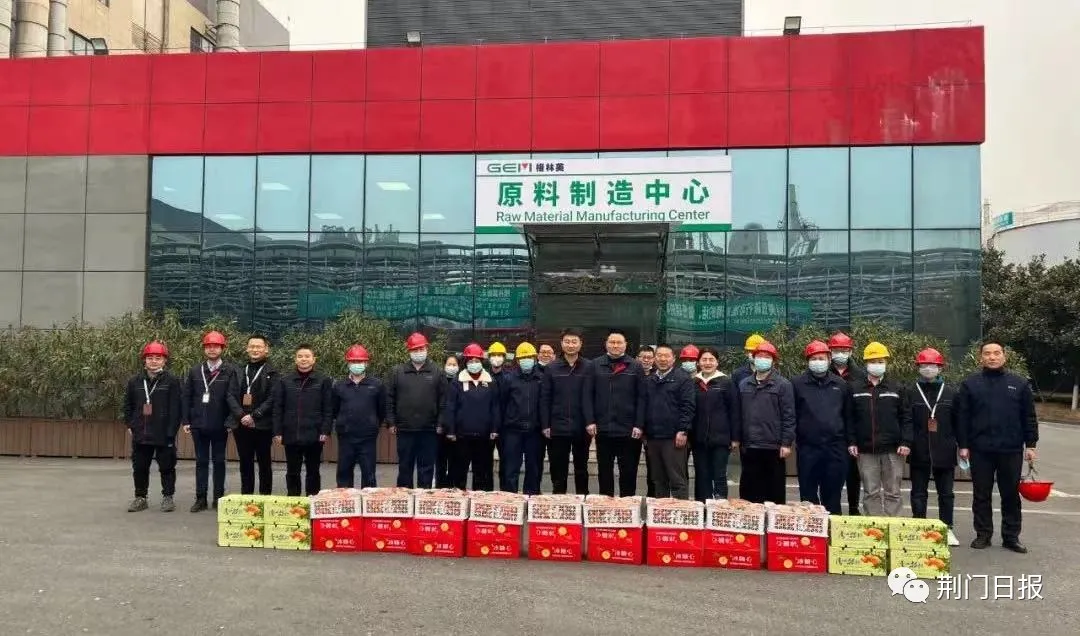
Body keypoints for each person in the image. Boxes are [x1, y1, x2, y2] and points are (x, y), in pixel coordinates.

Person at [956, 340, 1038, 553]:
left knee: (1010, 495)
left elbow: (1029, 416)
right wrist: (963, 445)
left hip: (1010, 449)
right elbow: (962, 417)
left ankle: (1011, 537)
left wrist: (1031, 444)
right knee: (981, 494)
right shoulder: (970, 384)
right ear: (980, 357)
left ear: (1004, 356)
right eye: (987, 353)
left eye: (996, 353)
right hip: (980, 449)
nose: (992, 357)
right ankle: (983, 534)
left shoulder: (1019, 384)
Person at [847, 342, 912, 517]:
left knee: (893, 492)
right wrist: (852, 441)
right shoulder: (855, 388)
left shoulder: (896, 387)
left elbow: (906, 417)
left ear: (886, 363)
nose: (877, 365)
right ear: (866, 363)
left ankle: (893, 525)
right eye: (873, 361)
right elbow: (850, 417)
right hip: (866, 449)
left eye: (880, 361)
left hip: (893, 450)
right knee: (870, 492)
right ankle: (874, 526)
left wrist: (906, 442)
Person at [792, 340, 852, 515]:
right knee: (808, 497)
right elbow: (791, 414)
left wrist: (850, 442)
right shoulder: (796, 383)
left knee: (832, 496)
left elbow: (848, 416)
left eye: (822, 358)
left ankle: (832, 529)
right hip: (808, 448)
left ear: (829, 360)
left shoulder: (840, 384)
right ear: (808, 361)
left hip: (835, 448)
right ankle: (810, 531)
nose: (818, 362)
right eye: (814, 358)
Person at [586, 329, 647, 497]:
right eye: (612, 342)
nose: (615, 345)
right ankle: (606, 503)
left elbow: (642, 397)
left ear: (625, 345)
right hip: (603, 428)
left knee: (628, 471)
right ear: (606, 344)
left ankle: (628, 504)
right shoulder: (595, 365)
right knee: (604, 470)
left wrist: (639, 424)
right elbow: (588, 395)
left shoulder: (635, 366)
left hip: (629, 429)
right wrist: (590, 420)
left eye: (619, 342)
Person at [909, 348, 960, 547]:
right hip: (919, 448)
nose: (928, 368)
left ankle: (947, 528)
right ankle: (919, 527)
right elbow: (906, 420)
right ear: (918, 367)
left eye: (932, 365)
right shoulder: (911, 391)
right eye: (924, 365)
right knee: (918, 492)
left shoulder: (951, 392)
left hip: (944, 449)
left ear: (940, 368)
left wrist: (963, 445)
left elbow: (959, 422)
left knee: (946, 493)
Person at [123, 341, 182, 512]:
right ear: (144, 360)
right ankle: (140, 497)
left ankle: (168, 497)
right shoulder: (134, 381)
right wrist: (130, 424)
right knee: (140, 467)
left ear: (164, 360)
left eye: (158, 358)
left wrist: (171, 432)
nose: (154, 361)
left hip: (163, 433)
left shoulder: (172, 381)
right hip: (141, 432)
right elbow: (127, 405)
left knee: (167, 467)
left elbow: (176, 408)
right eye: (150, 358)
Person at [182, 331, 236, 512]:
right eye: (208, 346)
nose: (212, 349)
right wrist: (186, 420)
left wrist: (231, 421)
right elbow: (187, 396)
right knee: (201, 461)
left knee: (219, 461)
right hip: (198, 424)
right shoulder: (195, 370)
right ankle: (201, 498)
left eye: (216, 346)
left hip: (221, 425)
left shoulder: (230, 370)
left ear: (222, 348)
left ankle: (218, 498)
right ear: (204, 349)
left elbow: (234, 397)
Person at [737, 341, 795, 504]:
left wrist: (786, 443)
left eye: (767, 356)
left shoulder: (783, 385)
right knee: (749, 494)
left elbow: (789, 416)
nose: (762, 359)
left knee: (774, 494)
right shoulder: (744, 384)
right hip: (749, 446)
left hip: (773, 447)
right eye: (759, 356)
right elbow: (738, 414)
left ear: (773, 361)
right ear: (753, 359)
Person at [272, 344, 333, 497]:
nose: (303, 359)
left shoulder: (323, 380)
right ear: (295, 359)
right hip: (291, 433)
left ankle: (312, 499)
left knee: (313, 470)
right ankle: (293, 500)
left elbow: (328, 408)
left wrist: (325, 430)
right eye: (300, 356)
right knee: (292, 471)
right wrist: (278, 431)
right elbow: (278, 407)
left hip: (315, 433)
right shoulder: (285, 381)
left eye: (307, 356)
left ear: (313, 359)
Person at [386, 332, 445, 488]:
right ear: (409, 351)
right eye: (415, 350)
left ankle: (423, 498)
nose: (419, 352)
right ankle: (405, 499)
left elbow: (443, 400)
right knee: (405, 467)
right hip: (405, 429)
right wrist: (391, 422)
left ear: (426, 349)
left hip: (429, 429)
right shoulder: (398, 372)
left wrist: (440, 423)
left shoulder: (436, 371)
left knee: (426, 468)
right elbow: (389, 398)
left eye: (421, 349)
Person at [540, 328, 594, 495]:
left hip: (582, 427)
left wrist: (591, 421)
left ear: (580, 344)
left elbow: (594, 396)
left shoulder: (589, 367)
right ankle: (559, 501)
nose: (571, 345)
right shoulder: (552, 368)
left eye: (574, 342)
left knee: (581, 468)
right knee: (558, 469)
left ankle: (582, 500)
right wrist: (545, 425)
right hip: (557, 427)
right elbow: (545, 398)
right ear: (561, 343)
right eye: (567, 341)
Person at [444, 343, 502, 491]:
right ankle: (459, 501)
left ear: (481, 362)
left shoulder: (490, 381)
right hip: (461, 437)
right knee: (459, 473)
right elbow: (450, 407)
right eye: (470, 361)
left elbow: (495, 407)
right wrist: (450, 430)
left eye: (477, 360)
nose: (474, 363)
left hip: (484, 437)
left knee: (483, 474)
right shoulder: (457, 381)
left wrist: (495, 429)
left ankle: (481, 502)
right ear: (465, 362)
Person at [226, 334, 276, 496]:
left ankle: (265, 497)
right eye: (252, 346)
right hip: (241, 424)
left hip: (262, 424)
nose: (255, 349)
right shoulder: (239, 371)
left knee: (264, 462)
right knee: (245, 462)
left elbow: (273, 397)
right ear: (247, 349)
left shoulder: (273, 372)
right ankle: (246, 496)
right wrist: (241, 415)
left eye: (259, 346)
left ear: (266, 349)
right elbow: (230, 395)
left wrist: (255, 415)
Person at [332, 345, 386, 489]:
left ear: (366, 363)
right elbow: (335, 409)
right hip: (346, 436)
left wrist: (372, 423)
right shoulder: (339, 386)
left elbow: (381, 410)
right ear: (348, 363)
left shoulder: (376, 385)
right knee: (343, 474)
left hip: (367, 437)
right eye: (354, 361)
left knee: (369, 475)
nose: (357, 364)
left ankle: (367, 503)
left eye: (360, 361)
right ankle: (345, 501)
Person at [644, 344, 695, 499]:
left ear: (673, 359)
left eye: (666, 356)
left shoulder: (683, 379)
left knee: (677, 479)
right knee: (658, 480)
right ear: (654, 358)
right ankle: (661, 511)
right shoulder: (650, 380)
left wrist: (683, 430)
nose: (663, 359)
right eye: (659, 355)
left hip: (673, 437)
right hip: (653, 437)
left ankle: (680, 511)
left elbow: (688, 406)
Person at [691, 347, 739, 502]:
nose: (707, 363)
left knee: (719, 474)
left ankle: (719, 507)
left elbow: (734, 411)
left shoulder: (726, 382)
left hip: (721, 439)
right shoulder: (694, 382)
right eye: (704, 360)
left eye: (711, 359)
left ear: (717, 362)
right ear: (698, 363)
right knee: (702, 474)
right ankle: (702, 506)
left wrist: (735, 438)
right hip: (699, 439)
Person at [828, 331, 866, 515]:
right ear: (830, 352)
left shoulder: (860, 375)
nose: (840, 354)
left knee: (853, 473)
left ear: (850, 352)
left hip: (853, 431)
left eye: (844, 350)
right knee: (831, 473)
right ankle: (832, 508)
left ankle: (853, 507)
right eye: (836, 350)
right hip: (831, 430)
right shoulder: (824, 372)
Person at [499, 342, 545, 494]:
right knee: (511, 468)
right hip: (513, 430)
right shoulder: (509, 379)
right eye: (523, 358)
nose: (526, 361)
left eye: (529, 357)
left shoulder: (541, 378)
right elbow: (503, 403)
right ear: (517, 360)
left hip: (535, 430)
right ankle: (510, 499)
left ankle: (531, 498)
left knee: (534, 468)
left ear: (535, 359)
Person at [435, 354, 460, 488]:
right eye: (449, 364)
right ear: (444, 366)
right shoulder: (439, 381)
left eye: (454, 364)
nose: (451, 367)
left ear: (458, 366)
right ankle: (440, 487)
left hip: (456, 429)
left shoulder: (461, 381)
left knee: (454, 461)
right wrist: (439, 423)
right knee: (440, 461)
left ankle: (451, 486)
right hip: (441, 428)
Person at [637, 344, 657, 496]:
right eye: (643, 357)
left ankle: (652, 497)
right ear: (637, 358)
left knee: (653, 467)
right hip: (633, 427)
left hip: (652, 429)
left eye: (649, 357)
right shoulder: (631, 374)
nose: (646, 360)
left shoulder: (658, 376)